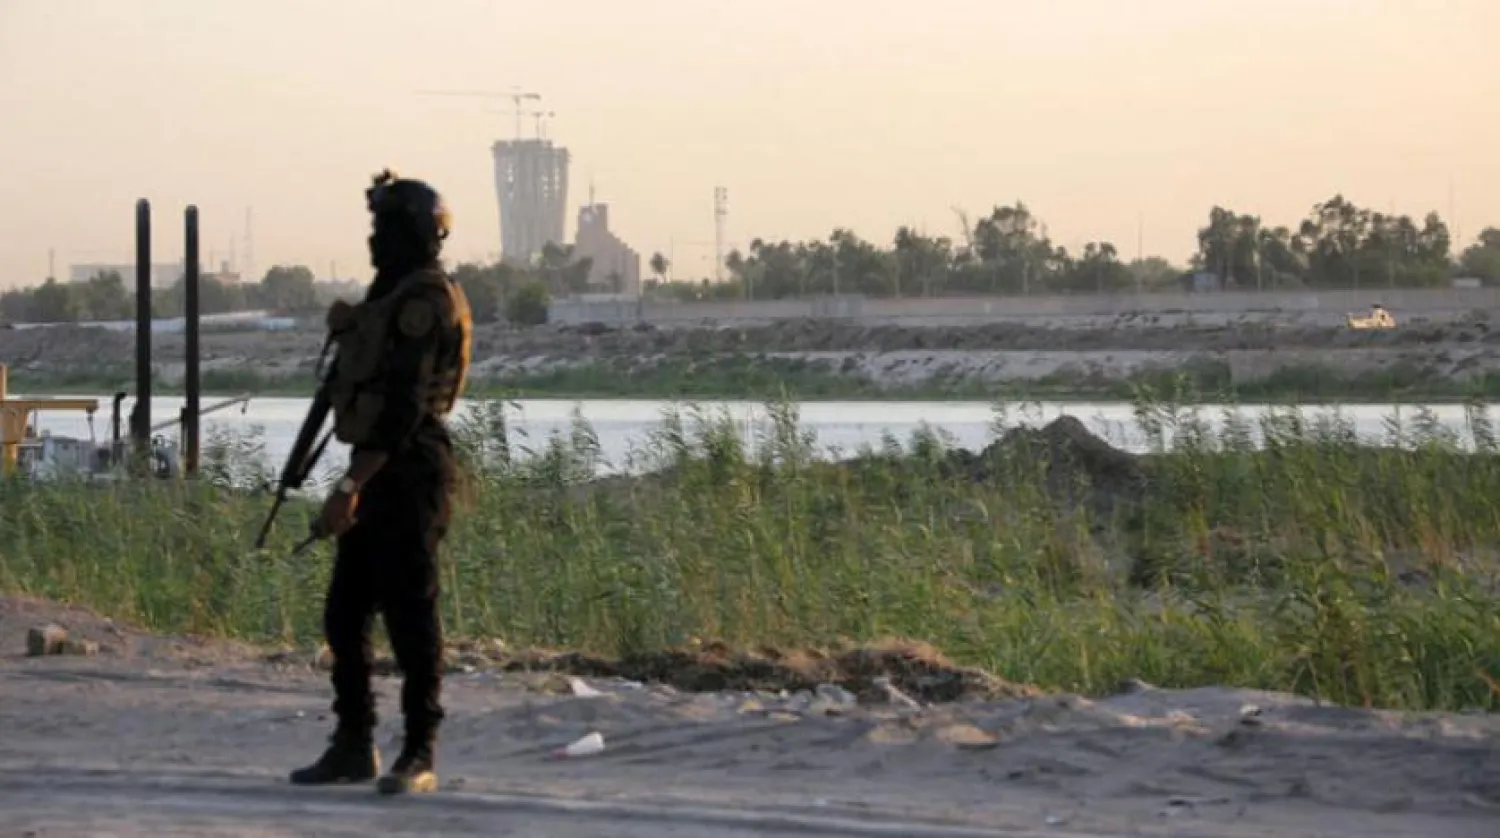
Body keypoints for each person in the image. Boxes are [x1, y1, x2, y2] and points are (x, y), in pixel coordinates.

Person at [289, 169, 472, 796]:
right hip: (377, 463)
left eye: (386, 229)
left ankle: (418, 751)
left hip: (408, 469)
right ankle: (352, 744)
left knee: (410, 615)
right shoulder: (389, 294)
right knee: (345, 614)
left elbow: (401, 407)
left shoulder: (424, 300)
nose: (375, 240)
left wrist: (349, 488)